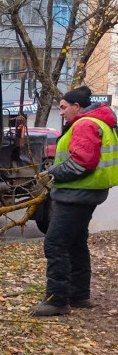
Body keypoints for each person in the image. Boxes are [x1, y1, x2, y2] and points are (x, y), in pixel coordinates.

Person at [32, 86, 118, 316]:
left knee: (55, 244)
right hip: (85, 194)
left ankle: (57, 300)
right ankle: (79, 295)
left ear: (77, 107)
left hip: (76, 194)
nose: (60, 112)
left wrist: (52, 173)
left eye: (63, 107)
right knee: (76, 243)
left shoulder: (85, 124)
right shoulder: (100, 122)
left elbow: (82, 163)